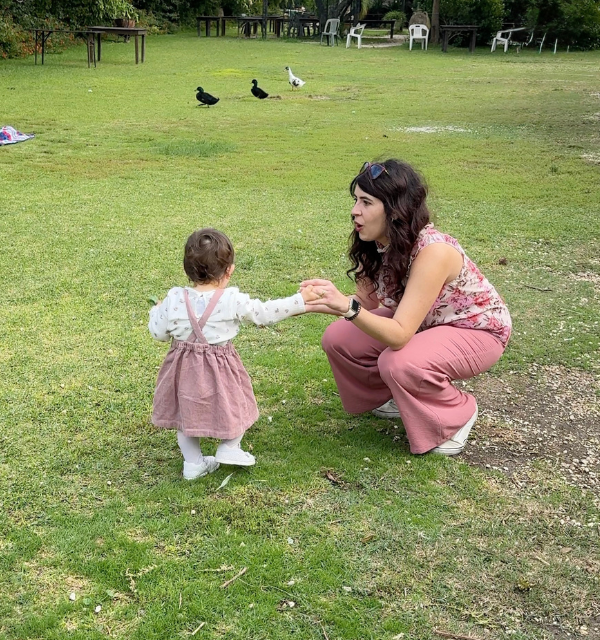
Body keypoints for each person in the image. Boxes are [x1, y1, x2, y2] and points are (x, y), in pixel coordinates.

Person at [301, 159, 511, 456]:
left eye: (366, 202)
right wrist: (315, 302)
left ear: (395, 209)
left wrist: (347, 308)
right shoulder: (375, 243)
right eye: (355, 201)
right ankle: (393, 398)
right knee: (339, 338)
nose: (354, 211)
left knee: (398, 362)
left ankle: (456, 414)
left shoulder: (433, 251)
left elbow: (397, 334)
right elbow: (366, 304)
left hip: (476, 331)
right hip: (424, 323)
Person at [149, 228, 318, 480]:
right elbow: (264, 313)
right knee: (235, 404)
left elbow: (159, 334)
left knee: (186, 414)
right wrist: (300, 300)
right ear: (229, 270)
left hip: (183, 370)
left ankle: (193, 463)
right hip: (220, 366)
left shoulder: (174, 298)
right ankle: (229, 446)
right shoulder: (231, 299)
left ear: (187, 270)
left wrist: (156, 311)